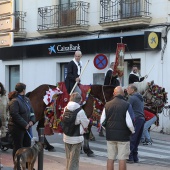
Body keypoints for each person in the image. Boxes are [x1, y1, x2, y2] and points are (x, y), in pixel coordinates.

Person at [100, 86, 135, 170]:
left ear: (113, 94)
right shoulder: (127, 105)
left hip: (110, 136)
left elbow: (102, 121)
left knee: (110, 158)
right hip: (123, 137)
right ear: (123, 94)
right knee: (122, 159)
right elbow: (130, 122)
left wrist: (107, 129)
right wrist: (132, 131)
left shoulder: (107, 105)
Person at [8, 83, 35, 162]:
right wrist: (25, 124)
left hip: (27, 127)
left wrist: (31, 121)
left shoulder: (27, 99)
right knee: (18, 148)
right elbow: (14, 114)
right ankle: (17, 166)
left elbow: (32, 112)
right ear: (23, 90)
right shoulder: (15, 101)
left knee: (27, 148)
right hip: (16, 128)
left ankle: (26, 166)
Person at [62, 92, 89, 170]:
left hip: (66, 136)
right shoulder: (80, 111)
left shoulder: (65, 108)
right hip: (76, 138)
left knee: (68, 158)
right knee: (74, 160)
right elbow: (85, 123)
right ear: (79, 100)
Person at [126, 84, 145, 163]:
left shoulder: (132, 98)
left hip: (135, 119)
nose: (127, 90)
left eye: (128, 88)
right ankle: (135, 157)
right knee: (137, 139)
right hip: (141, 119)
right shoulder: (140, 98)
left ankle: (130, 157)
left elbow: (127, 108)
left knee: (132, 138)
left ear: (133, 90)